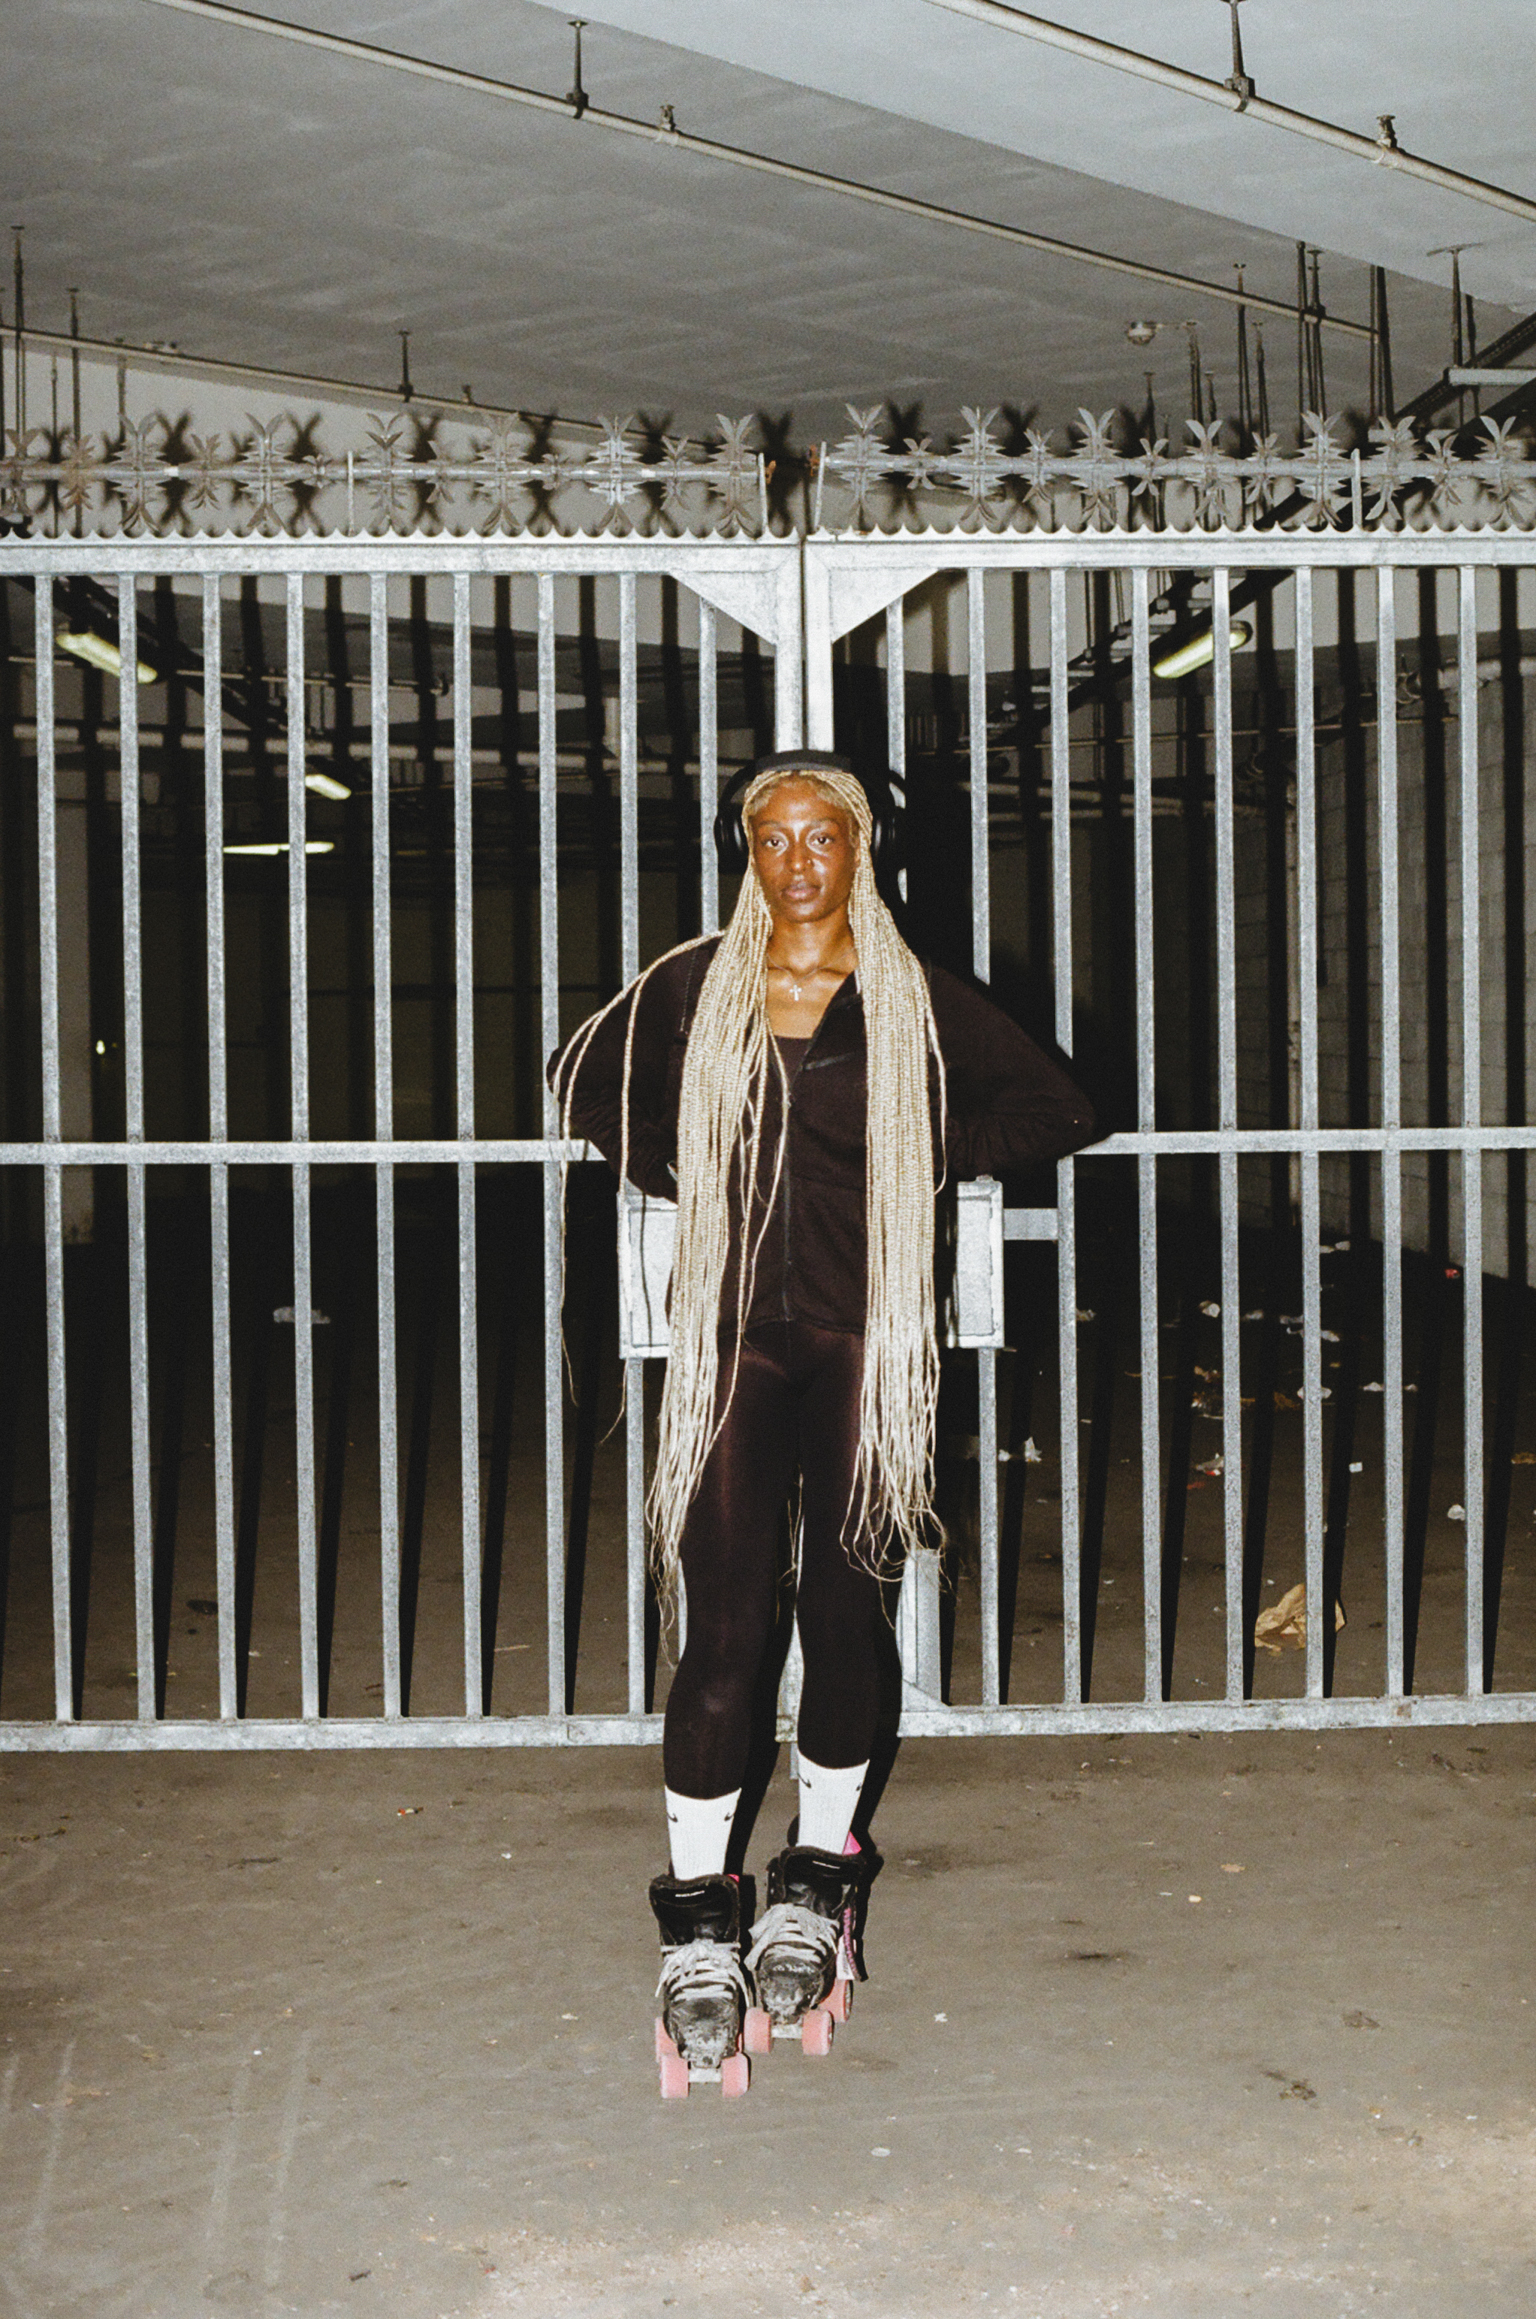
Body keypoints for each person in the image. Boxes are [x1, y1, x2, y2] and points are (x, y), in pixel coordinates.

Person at [549, 751, 1094, 2091]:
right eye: (774, 837)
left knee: (848, 1616)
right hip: (730, 1348)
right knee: (726, 1627)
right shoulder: (690, 986)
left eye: (822, 836)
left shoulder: (913, 996)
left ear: (862, 849)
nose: (797, 860)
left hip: (866, 1346)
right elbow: (581, 1085)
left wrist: (919, 1146)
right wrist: (684, 1162)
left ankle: (813, 1878)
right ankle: (699, 1920)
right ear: (746, 851)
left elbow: (1060, 1107)